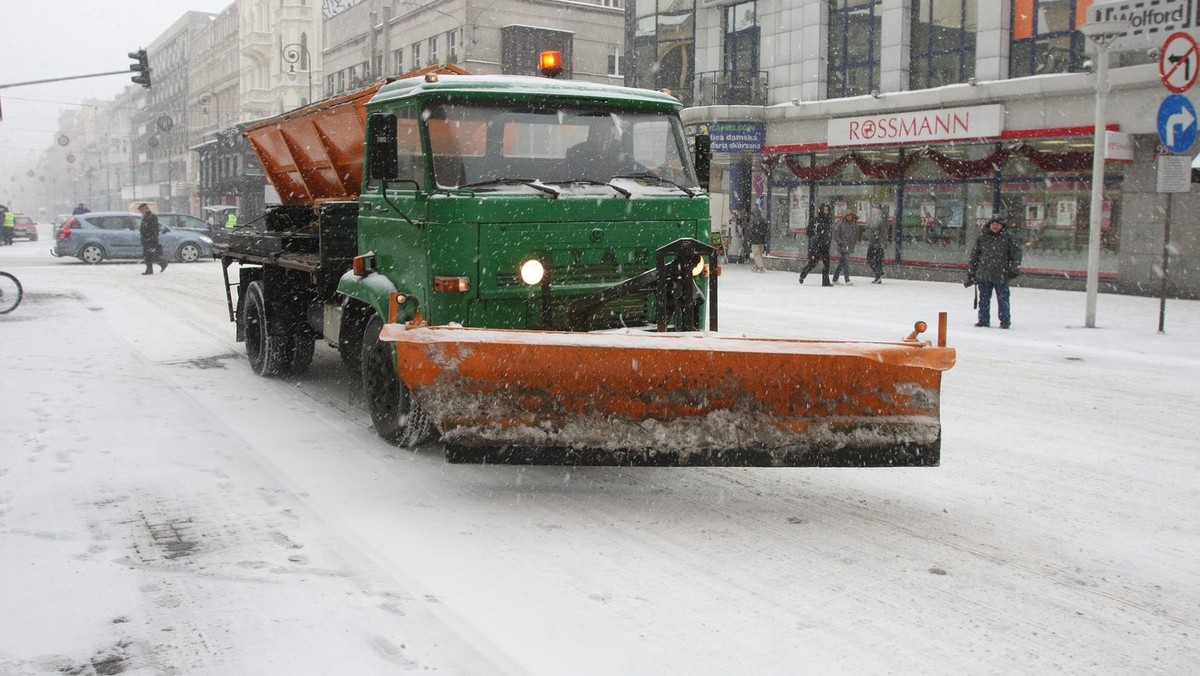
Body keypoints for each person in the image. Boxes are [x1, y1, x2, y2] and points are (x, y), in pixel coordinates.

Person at [966, 216, 1022, 329]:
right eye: (993, 224)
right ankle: (983, 320)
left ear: (1002, 226)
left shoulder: (1009, 238)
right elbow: (975, 256)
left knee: (1003, 299)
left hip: (1001, 274)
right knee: (984, 299)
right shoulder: (982, 238)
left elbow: (1015, 255)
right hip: (984, 273)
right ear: (989, 225)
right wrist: (972, 272)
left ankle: (1005, 321)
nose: (995, 226)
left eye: (998, 224)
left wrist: (1013, 269)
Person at [798, 202, 833, 286]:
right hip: (817, 245)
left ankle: (825, 282)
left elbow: (829, 232)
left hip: (825, 245)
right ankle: (803, 274)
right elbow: (809, 232)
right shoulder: (815, 220)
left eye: (827, 210)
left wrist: (827, 240)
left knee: (826, 264)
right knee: (813, 262)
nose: (826, 212)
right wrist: (815, 239)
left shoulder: (828, 220)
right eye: (824, 210)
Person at [138, 203, 168, 275]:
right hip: (146, 239)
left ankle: (162, 263)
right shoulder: (145, 217)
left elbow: (154, 229)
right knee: (147, 255)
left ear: (145, 209)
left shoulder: (152, 217)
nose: (141, 212)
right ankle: (150, 269)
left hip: (150, 239)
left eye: (141, 210)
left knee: (151, 254)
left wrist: (152, 238)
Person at [831, 210, 860, 285]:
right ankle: (847, 279)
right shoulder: (841, 225)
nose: (849, 217)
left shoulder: (854, 225)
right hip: (843, 247)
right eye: (848, 216)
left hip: (849, 247)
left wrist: (854, 242)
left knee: (841, 263)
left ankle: (835, 278)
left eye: (850, 216)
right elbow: (836, 235)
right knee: (846, 262)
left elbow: (856, 235)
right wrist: (841, 242)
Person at [865, 205, 886, 284]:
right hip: (877, 243)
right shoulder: (878, 218)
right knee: (877, 260)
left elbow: (876, 230)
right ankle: (878, 276)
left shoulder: (878, 219)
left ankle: (878, 272)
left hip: (875, 243)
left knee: (871, 259)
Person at [747, 207, 769, 273]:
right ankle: (756, 267)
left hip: (755, 240)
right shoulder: (763, 220)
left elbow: (750, 231)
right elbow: (766, 230)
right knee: (759, 254)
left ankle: (761, 267)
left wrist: (750, 238)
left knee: (756, 254)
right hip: (762, 240)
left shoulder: (753, 221)